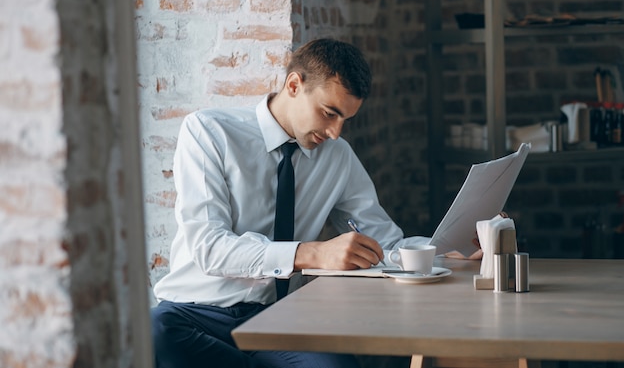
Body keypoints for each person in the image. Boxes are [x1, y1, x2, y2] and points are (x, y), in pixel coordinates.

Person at [151, 38, 434, 368]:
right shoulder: (208, 132)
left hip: (279, 317)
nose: (335, 133)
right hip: (192, 312)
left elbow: (383, 243)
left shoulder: (337, 157)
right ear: (294, 84)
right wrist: (312, 253)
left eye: (345, 119)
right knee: (154, 336)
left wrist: (445, 248)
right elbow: (209, 247)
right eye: (329, 113)